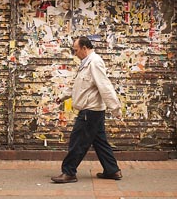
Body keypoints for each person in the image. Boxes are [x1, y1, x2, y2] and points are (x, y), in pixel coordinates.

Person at [51, 36, 123, 183]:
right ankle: (112, 171)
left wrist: (115, 109)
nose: (74, 53)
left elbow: (105, 86)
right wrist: (63, 96)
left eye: (76, 50)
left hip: (90, 111)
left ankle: (69, 172)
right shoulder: (85, 63)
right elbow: (78, 85)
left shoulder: (95, 63)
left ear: (84, 48)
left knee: (77, 142)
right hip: (93, 111)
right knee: (100, 142)